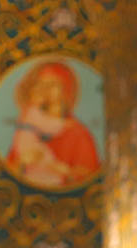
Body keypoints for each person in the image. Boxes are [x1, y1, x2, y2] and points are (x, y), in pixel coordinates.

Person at [6, 59, 101, 189]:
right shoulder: (30, 124)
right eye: (41, 84)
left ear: (65, 90)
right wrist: (22, 162)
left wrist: (65, 172)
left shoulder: (78, 133)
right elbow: (9, 170)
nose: (45, 89)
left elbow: (90, 178)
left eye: (52, 84)